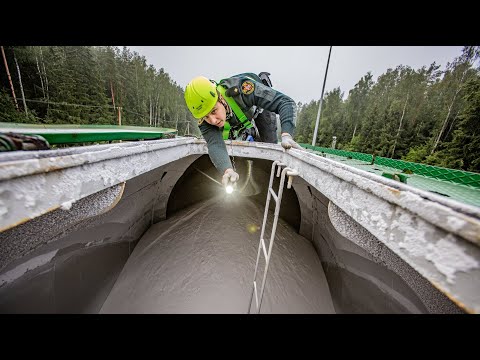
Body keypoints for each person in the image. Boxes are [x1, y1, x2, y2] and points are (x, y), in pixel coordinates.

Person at [184, 72, 303, 189]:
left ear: (220, 97)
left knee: (269, 145)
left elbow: (285, 102)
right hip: (234, 120)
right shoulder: (204, 120)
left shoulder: (243, 89)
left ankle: (269, 183)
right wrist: (227, 170)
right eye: (206, 116)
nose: (213, 120)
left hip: (258, 109)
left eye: (214, 111)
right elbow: (215, 144)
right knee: (231, 148)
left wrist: (287, 134)